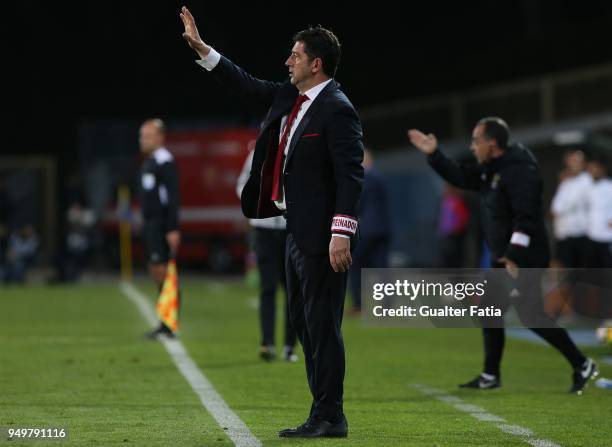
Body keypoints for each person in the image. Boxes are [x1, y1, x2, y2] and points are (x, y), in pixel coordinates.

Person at [181, 7, 363, 437]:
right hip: (293, 232)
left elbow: (350, 176)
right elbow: (245, 84)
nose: (288, 61)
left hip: (321, 236)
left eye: (295, 55)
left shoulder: (338, 109)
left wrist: (342, 232)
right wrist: (204, 50)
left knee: (322, 327)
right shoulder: (290, 98)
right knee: (303, 325)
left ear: (316, 64)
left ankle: (330, 415)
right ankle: (321, 411)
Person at [408, 117, 598, 394]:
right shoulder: (491, 168)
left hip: (523, 257)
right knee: (491, 310)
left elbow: (528, 218)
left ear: (492, 143)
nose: (473, 147)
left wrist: (513, 256)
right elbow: (461, 176)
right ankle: (491, 374)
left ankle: (581, 363)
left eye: (477, 140)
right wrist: (434, 155)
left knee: (530, 315)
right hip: (506, 255)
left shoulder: (519, 169)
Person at [237, 149, 298, 362]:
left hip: (290, 226)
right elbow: (242, 184)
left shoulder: (295, 145)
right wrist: (257, 202)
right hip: (264, 229)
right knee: (268, 287)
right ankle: (267, 343)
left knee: (292, 288)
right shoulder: (258, 152)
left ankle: (290, 346)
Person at [139, 118, 181, 339]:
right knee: (155, 270)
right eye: (142, 136)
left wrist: (172, 228)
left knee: (163, 271)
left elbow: (172, 198)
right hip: (150, 224)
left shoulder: (165, 162)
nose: (142, 140)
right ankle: (164, 320)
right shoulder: (150, 161)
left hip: (161, 224)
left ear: (160, 138)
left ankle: (169, 323)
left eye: (147, 136)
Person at [348, 149, 390, 313]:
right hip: (383, 229)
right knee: (381, 268)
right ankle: (386, 306)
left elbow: (357, 203)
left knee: (355, 265)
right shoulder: (380, 177)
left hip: (366, 229)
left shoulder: (363, 177)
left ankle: (358, 305)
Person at [550, 149, 592, 268]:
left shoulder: (587, 180)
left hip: (582, 234)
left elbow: (568, 205)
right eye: (571, 161)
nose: (573, 164)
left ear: (583, 163)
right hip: (563, 233)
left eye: (576, 161)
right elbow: (556, 207)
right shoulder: (565, 182)